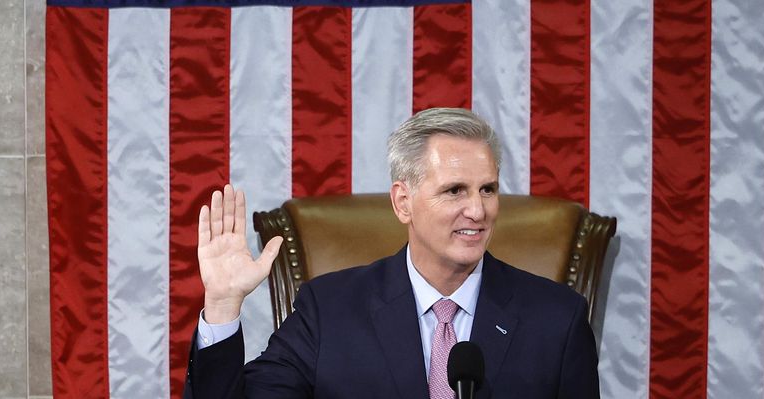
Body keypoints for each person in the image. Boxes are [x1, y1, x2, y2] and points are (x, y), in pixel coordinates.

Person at [185, 108, 599, 398]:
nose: (478, 210)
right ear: (403, 202)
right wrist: (223, 306)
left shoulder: (557, 320)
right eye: (455, 190)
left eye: (487, 189)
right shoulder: (329, 311)